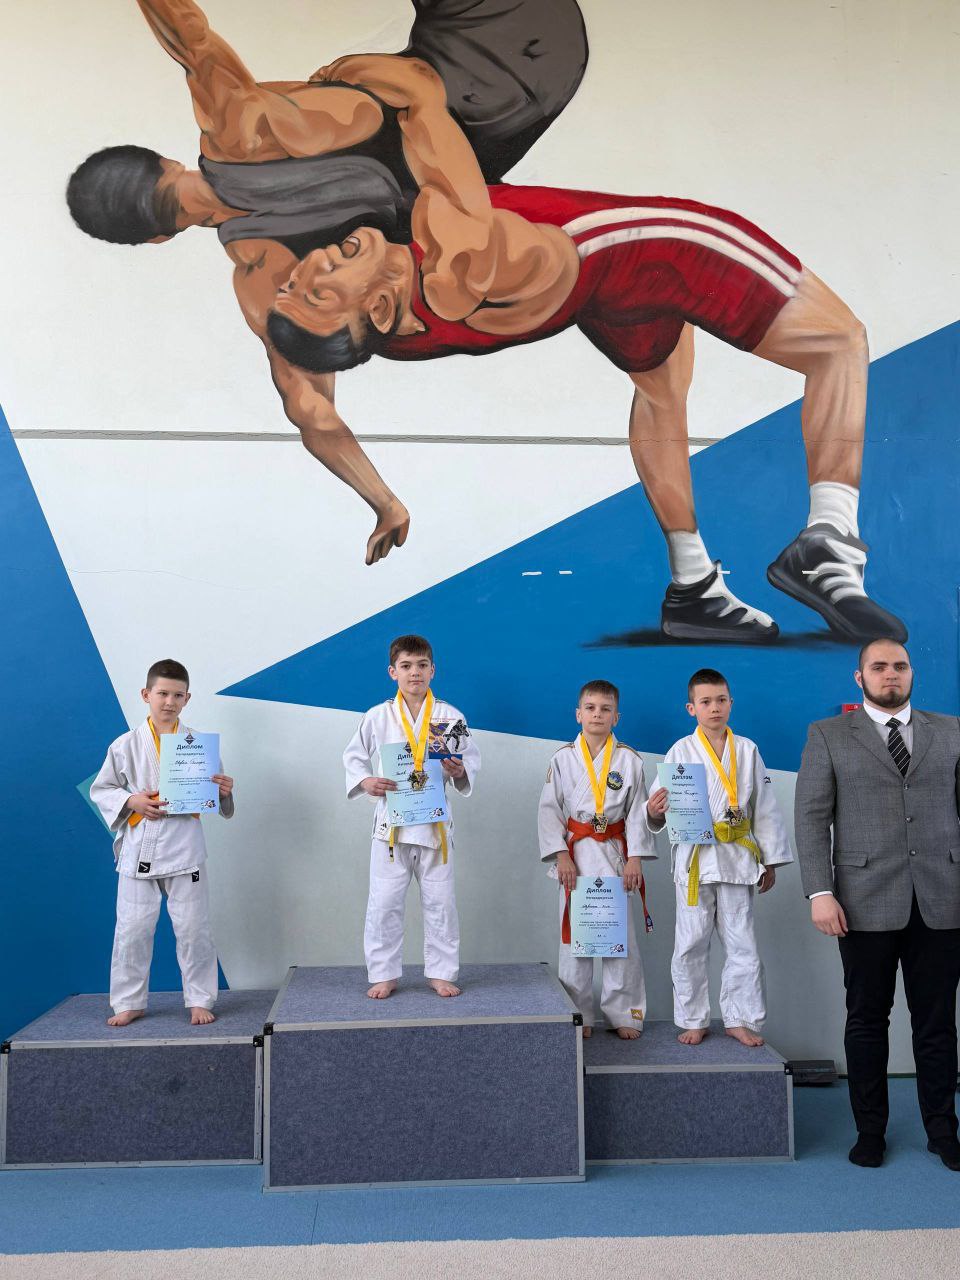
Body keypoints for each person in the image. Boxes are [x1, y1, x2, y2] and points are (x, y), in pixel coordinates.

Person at [268, 51, 908, 646]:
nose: (312, 265)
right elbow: (418, 93)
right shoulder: (455, 258)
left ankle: (693, 586)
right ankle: (829, 541)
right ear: (379, 309)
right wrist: (331, 81)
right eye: (321, 290)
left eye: (297, 282)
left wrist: (384, 501)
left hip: (589, 302)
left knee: (660, 393)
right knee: (838, 341)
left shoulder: (340, 330)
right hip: (647, 252)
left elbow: (313, 415)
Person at [66, 0, 587, 566]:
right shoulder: (239, 126)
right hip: (501, 46)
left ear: (155, 239)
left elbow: (309, 409)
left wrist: (384, 501)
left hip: (535, 82)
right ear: (164, 162)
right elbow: (190, 38)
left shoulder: (263, 281)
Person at [795, 638, 960, 1171]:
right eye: (880, 666)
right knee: (866, 1019)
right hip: (862, 900)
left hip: (943, 897)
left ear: (912, 673)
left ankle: (943, 1131)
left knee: (937, 1023)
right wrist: (820, 892)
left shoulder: (952, 731)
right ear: (859, 676)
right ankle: (870, 1132)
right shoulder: (828, 735)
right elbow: (811, 818)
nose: (892, 674)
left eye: (901, 666)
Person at [647, 668, 792, 1047]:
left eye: (721, 700)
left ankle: (740, 1018)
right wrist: (655, 811)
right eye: (706, 701)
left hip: (737, 858)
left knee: (743, 944)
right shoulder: (680, 751)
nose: (715, 708)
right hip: (695, 860)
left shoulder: (747, 750)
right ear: (691, 708)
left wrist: (770, 859)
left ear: (731, 703)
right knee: (690, 943)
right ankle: (693, 1018)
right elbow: (658, 807)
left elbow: (764, 807)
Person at [89, 658, 234, 1026]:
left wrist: (224, 792)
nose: (170, 701)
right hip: (141, 847)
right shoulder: (125, 745)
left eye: (177, 695)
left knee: (193, 928)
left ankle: (199, 999)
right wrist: (131, 801)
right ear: (146, 694)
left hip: (185, 848)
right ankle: (129, 1001)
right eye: (163, 694)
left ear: (187, 698)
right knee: (132, 929)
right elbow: (102, 789)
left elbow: (215, 798)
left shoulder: (198, 745)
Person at [342, 633, 480, 998]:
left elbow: (468, 760)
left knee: (441, 902)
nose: (414, 672)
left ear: (433, 670)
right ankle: (383, 973)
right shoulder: (377, 716)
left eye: (421, 665)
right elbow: (353, 757)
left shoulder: (450, 716)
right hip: (391, 827)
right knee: (384, 902)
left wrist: (459, 771)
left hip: (435, 825)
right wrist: (366, 781)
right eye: (406, 666)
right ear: (393, 672)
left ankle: (442, 972)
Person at [538, 680, 656, 1038]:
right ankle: (580, 1015)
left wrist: (635, 858)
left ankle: (625, 1014)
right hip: (575, 856)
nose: (597, 715)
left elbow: (637, 813)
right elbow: (548, 810)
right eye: (590, 708)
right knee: (576, 940)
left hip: (616, 854)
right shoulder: (562, 758)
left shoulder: (629, 760)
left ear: (616, 716)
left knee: (620, 939)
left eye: (606, 709)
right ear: (578, 714)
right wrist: (561, 855)